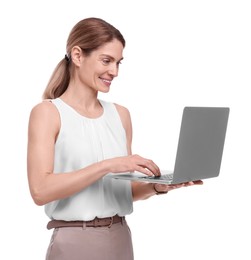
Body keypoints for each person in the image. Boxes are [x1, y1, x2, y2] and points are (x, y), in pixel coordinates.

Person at [27, 17, 202, 260]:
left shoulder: (121, 115)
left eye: (119, 63)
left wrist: (157, 187)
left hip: (120, 237)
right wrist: (108, 165)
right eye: (107, 61)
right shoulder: (48, 113)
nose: (114, 71)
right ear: (77, 56)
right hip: (75, 241)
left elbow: (122, 191)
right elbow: (40, 191)